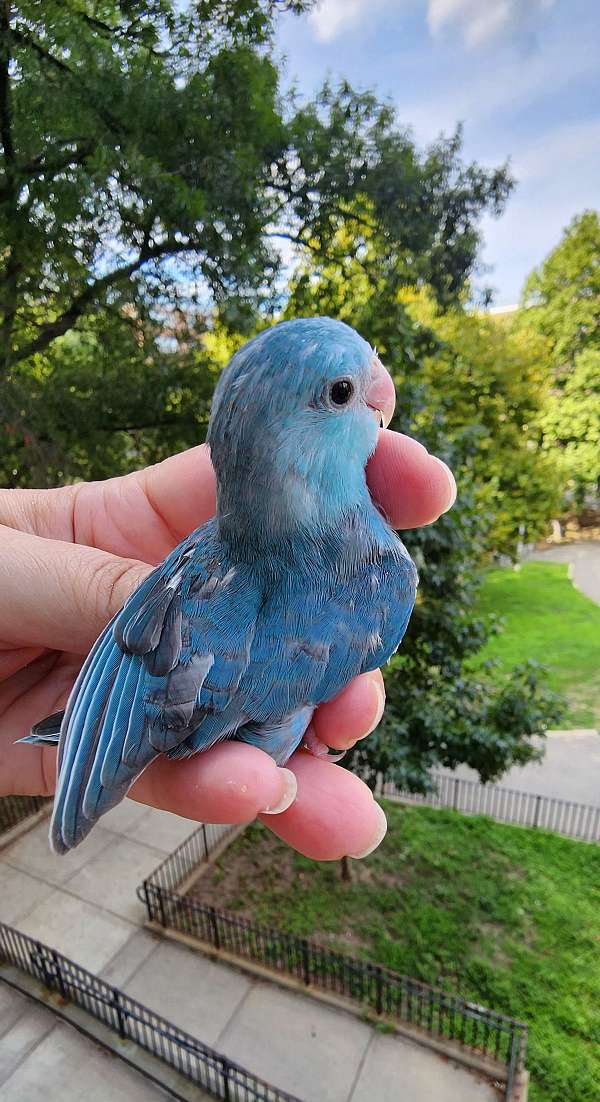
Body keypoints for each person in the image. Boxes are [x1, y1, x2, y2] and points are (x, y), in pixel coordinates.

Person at [0, 433, 455, 861]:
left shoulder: (376, 579)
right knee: (284, 749)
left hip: (200, 719)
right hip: (208, 721)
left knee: (279, 749)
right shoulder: (379, 578)